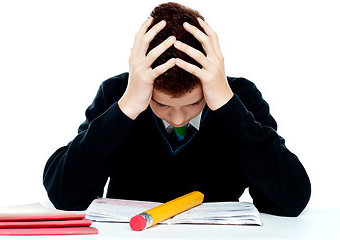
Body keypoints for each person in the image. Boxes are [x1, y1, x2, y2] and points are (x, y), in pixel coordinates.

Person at [43, 2, 311, 217]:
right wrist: (127, 108)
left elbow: (290, 201)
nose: (179, 118)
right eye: (161, 104)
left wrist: (227, 107)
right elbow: (66, 196)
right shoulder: (119, 95)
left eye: (193, 103)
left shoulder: (238, 98)